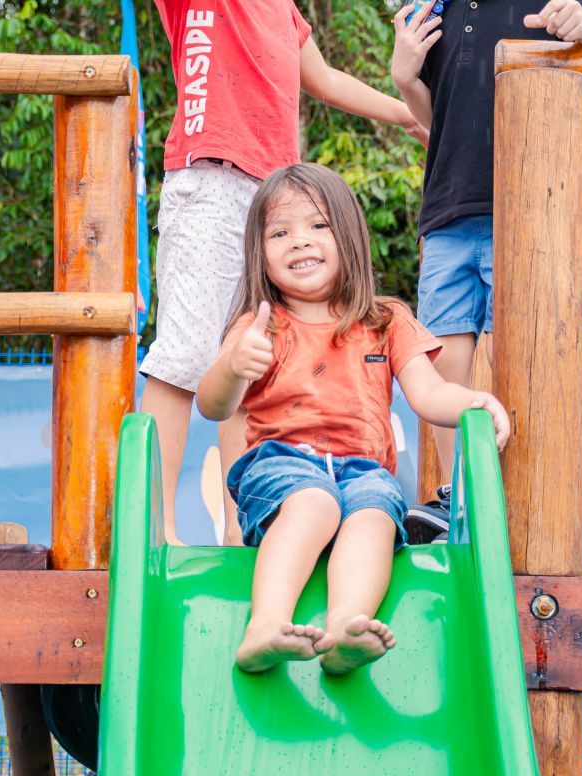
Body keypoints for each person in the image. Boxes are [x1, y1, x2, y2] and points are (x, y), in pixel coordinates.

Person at [196, 163, 510, 674]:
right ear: (260, 254)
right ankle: (264, 626)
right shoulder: (260, 325)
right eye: (280, 233)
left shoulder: (385, 320)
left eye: (318, 225)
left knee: (376, 515)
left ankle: (347, 627)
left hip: (363, 472)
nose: (300, 241)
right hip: (281, 465)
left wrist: (473, 403)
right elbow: (214, 406)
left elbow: (429, 393)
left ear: (349, 237)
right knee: (314, 502)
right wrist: (233, 367)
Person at [142, 0, 428, 545]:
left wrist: (405, 114)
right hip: (212, 181)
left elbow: (324, 78)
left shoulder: (283, 10)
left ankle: (237, 531)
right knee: (183, 357)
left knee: (249, 359)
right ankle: (157, 530)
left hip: (272, 201)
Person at [391, 0, 582, 541]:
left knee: (519, 360)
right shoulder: (433, 7)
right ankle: (456, 497)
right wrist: (406, 80)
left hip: (530, 205)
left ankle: (518, 504)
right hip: (448, 208)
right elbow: (438, 119)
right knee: (442, 361)